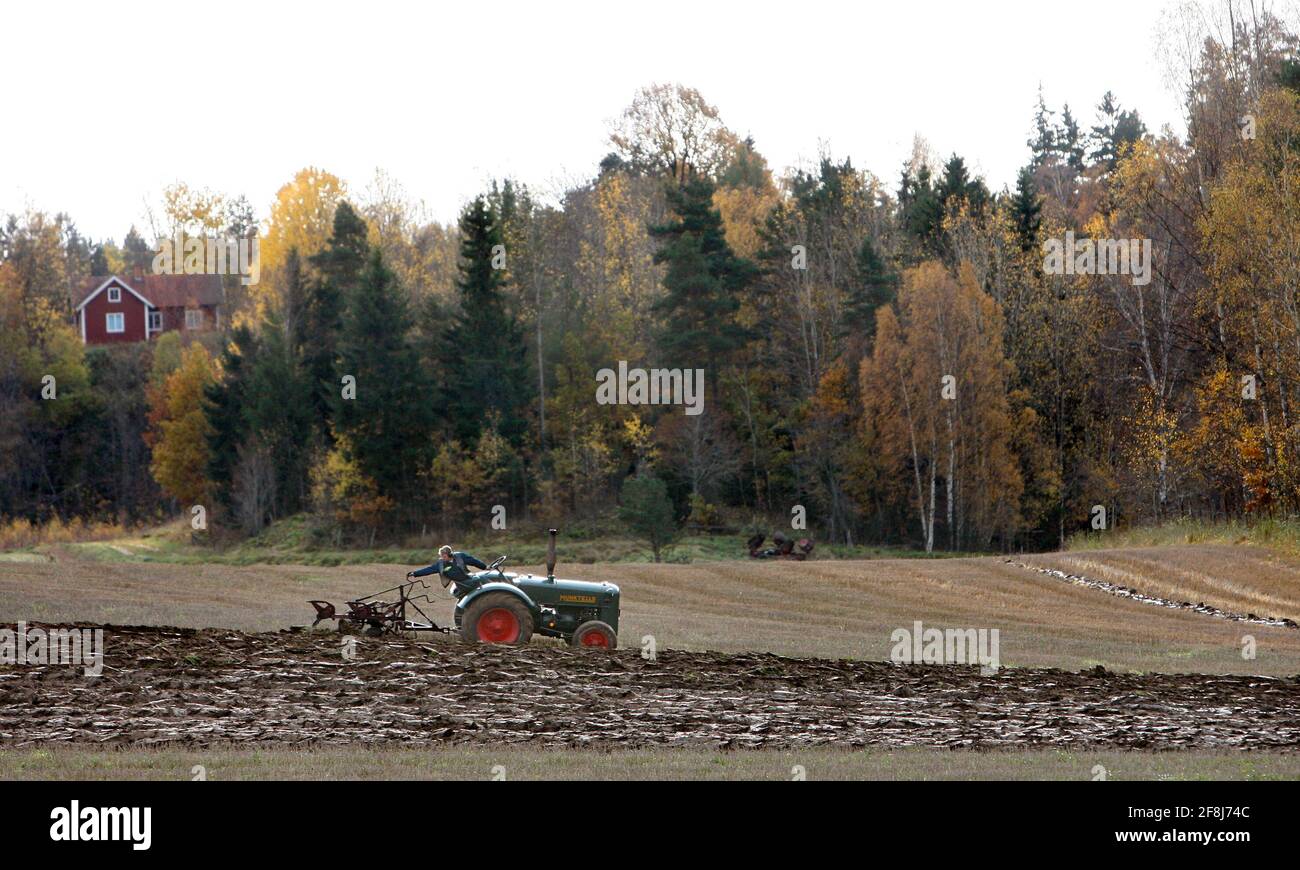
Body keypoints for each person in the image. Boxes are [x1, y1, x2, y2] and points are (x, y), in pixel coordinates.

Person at [410, 545, 488, 592]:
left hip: (468, 578)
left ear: (450, 554)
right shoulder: (440, 564)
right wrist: (415, 573)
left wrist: (484, 567)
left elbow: (473, 561)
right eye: (441, 556)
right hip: (460, 584)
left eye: (444, 556)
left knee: (483, 579)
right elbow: (429, 569)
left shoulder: (460, 556)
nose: (442, 558)